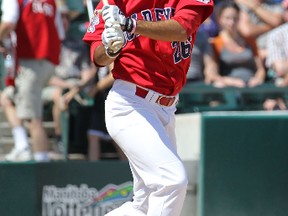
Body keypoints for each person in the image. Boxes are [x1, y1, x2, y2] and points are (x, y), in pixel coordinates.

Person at [83, 0, 213, 215]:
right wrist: (110, 48)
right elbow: (98, 57)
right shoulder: (113, 4)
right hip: (130, 103)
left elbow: (182, 29)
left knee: (144, 204)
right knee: (172, 181)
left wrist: (130, 24)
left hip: (167, 107)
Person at [0, 0, 61, 162]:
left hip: (30, 62)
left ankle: (41, 163)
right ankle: (22, 146)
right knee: (7, 98)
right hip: (47, 62)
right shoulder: (50, 2)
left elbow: (8, 23)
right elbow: (60, 31)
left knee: (33, 119)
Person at [211, 1, 266, 88]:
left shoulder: (250, 41)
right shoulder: (215, 43)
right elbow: (213, 74)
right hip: (229, 87)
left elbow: (260, 69)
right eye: (227, 18)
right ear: (220, 19)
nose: (231, 22)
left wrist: (257, 79)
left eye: (235, 18)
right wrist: (230, 81)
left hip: (252, 86)